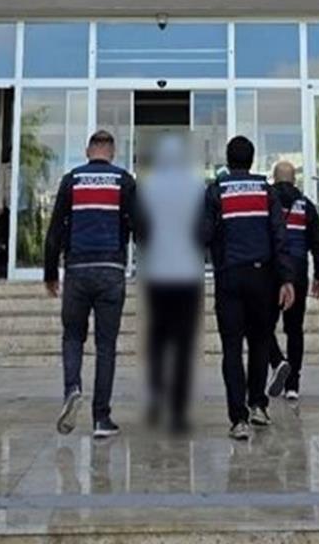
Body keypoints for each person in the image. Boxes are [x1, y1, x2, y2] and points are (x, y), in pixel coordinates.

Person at [44, 130, 140, 439]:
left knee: (73, 337)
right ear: (112, 152)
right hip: (111, 270)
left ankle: (72, 388)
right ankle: (101, 418)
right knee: (105, 346)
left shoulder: (72, 180)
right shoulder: (123, 180)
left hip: (77, 269)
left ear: (88, 151)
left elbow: (55, 230)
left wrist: (50, 273)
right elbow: (141, 226)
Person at [202, 136, 295, 441]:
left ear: (228, 161)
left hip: (229, 277)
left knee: (231, 348)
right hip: (262, 277)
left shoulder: (216, 190)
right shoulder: (266, 191)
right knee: (259, 343)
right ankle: (258, 406)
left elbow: (203, 234)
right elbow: (280, 236)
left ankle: (238, 420)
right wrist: (286, 279)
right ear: (252, 160)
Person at [137, 135, 205, 434]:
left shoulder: (148, 187)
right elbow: (203, 229)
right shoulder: (196, 188)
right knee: (184, 344)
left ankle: (155, 397)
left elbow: (140, 230)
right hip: (188, 274)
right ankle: (178, 412)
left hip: (158, 274)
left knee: (157, 339)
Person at [265, 160, 319, 401]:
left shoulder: (267, 202)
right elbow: (318, 243)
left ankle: (277, 361)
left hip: (271, 271)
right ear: (294, 180)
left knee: (262, 326)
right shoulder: (306, 206)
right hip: (298, 271)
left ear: (274, 178)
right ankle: (293, 385)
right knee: (294, 330)